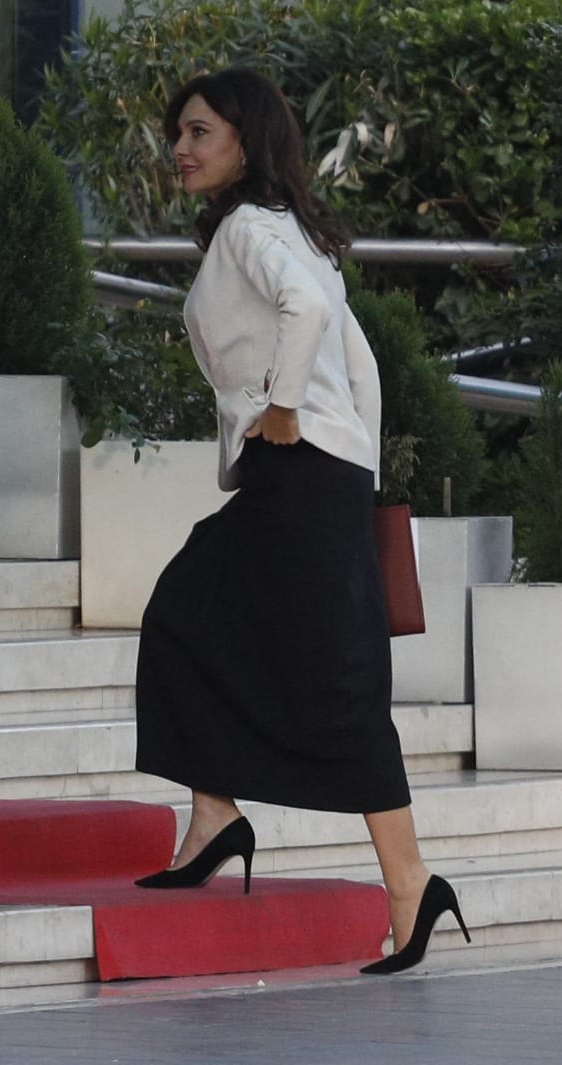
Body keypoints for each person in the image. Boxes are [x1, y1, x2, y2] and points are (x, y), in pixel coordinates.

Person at [131, 68, 469, 976]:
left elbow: (313, 316)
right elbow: (362, 368)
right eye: (178, 134)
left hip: (300, 470)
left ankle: (410, 881)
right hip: (315, 477)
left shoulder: (250, 229)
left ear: (245, 141)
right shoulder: (291, 231)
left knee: (330, 681)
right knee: (193, 616)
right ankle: (217, 813)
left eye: (200, 132)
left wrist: (285, 408)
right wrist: (355, 468)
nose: (182, 149)